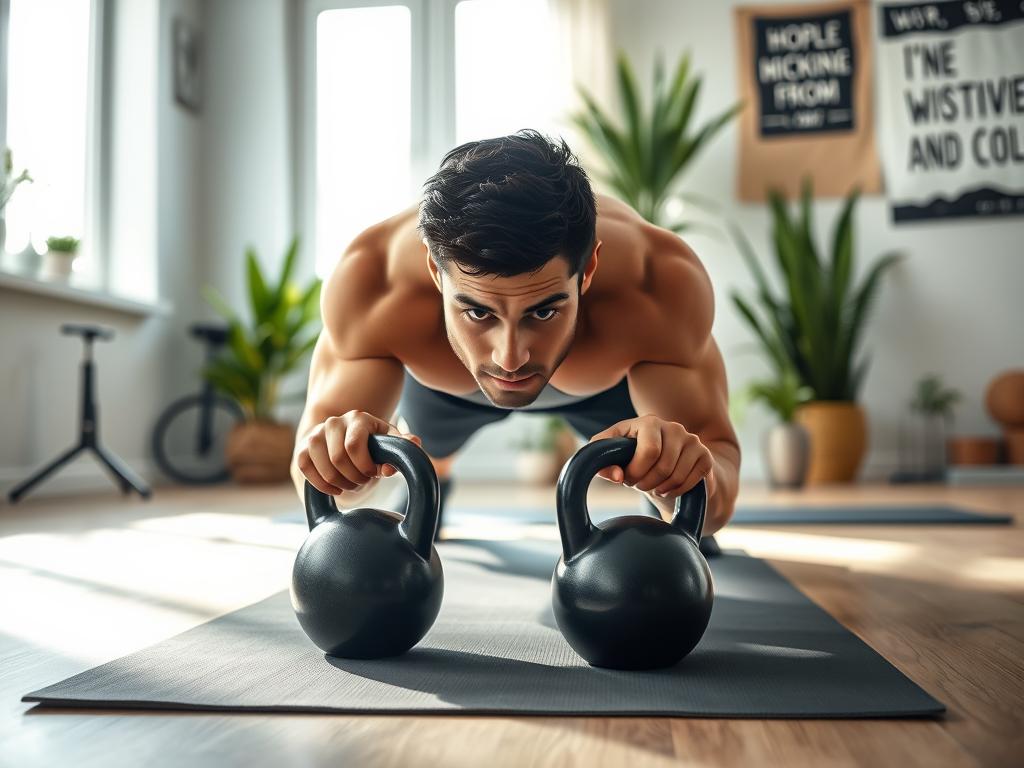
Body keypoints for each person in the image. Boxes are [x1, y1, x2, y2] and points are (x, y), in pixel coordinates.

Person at [291, 129, 740, 553]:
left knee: (669, 478)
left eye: (543, 311)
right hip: (441, 389)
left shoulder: (658, 284)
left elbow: (717, 480)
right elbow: (309, 466)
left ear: (587, 271)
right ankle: (437, 479)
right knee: (427, 456)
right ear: (435, 272)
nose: (510, 356)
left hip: (612, 391)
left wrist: (684, 476)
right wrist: (344, 461)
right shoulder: (374, 283)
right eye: (477, 312)